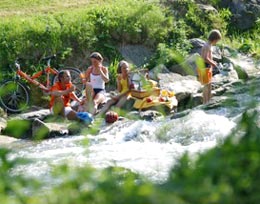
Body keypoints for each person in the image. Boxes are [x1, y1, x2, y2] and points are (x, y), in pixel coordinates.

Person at [198, 29, 222, 104]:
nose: (217, 42)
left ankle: (208, 101)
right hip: (204, 66)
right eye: (217, 40)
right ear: (214, 38)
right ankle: (205, 103)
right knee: (206, 86)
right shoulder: (207, 45)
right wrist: (213, 63)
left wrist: (212, 62)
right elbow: (204, 58)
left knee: (209, 85)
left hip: (208, 66)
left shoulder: (209, 45)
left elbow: (209, 57)